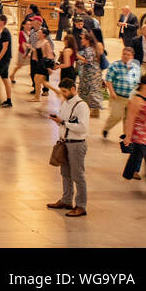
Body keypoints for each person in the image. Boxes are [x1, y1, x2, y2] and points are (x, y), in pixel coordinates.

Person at [46, 77, 89, 217]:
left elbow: (82, 127)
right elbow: (64, 122)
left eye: (65, 91)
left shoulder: (81, 106)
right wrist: (58, 120)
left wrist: (63, 122)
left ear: (73, 89)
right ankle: (66, 200)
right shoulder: (65, 103)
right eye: (61, 91)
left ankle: (81, 206)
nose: (62, 94)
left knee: (78, 176)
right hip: (65, 143)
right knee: (65, 174)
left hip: (77, 145)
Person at [121, 73, 146, 180]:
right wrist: (128, 136)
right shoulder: (136, 100)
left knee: (140, 157)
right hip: (139, 135)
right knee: (140, 158)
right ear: (144, 84)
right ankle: (131, 175)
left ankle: (132, 174)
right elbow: (130, 119)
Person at [102, 45, 141, 139]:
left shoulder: (136, 68)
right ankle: (106, 129)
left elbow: (139, 83)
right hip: (117, 96)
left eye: (128, 54)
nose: (126, 56)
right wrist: (112, 92)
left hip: (131, 98)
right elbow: (108, 80)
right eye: (124, 54)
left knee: (128, 118)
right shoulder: (114, 66)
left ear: (132, 56)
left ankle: (126, 135)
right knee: (116, 115)